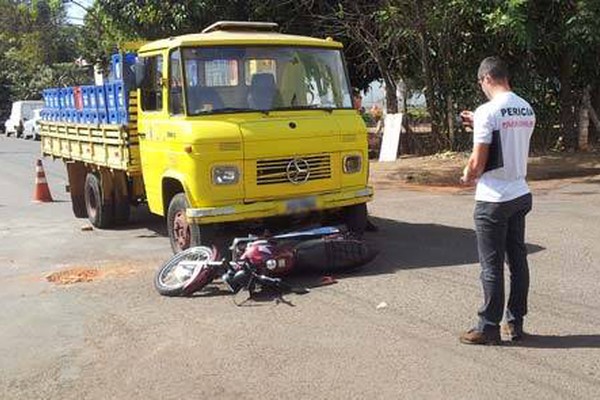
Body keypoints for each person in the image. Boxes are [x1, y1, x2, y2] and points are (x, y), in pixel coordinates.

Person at [458, 56, 536, 345]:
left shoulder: (487, 111)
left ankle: (488, 326)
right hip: (519, 192)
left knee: (491, 266)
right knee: (517, 260)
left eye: (481, 83)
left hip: (493, 198)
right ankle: (515, 323)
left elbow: (478, 162)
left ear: (486, 79)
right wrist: (477, 120)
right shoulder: (526, 108)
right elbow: (508, 137)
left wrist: (467, 176)